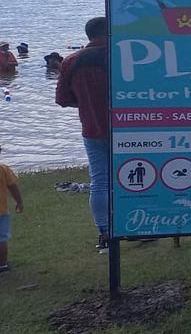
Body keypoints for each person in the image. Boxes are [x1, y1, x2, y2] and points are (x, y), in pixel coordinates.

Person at [56, 17, 111, 254]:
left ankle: (105, 234)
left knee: (100, 182)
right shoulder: (124, 54)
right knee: (132, 178)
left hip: (93, 128)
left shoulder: (72, 60)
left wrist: (86, 102)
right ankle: (137, 226)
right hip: (130, 128)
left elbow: (62, 99)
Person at [0, 144, 23, 274]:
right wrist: (19, 202)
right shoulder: (3, 169)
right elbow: (13, 187)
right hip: (1, 211)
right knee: (1, 238)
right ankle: (2, 265)